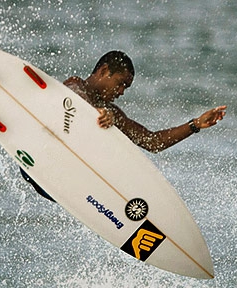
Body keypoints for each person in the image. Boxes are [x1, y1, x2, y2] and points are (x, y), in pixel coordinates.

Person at [21, 51, 226, 199]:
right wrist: (97, 114)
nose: (121, 92)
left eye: (126, 87)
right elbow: (76, 98)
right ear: (103, 71)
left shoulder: (113, 113)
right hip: (39, 160)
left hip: (62, 183)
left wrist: (195, 124)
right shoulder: (75, 85)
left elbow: (152, 142)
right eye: (120, 83)